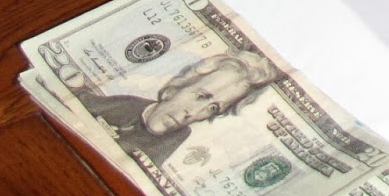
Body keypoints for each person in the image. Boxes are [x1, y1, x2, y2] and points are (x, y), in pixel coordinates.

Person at [75, 50, 278, 167]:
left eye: (213, 108)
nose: (194, 113)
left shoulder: (175, 142)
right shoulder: (127, 105)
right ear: (174, 88)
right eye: (201, 96)